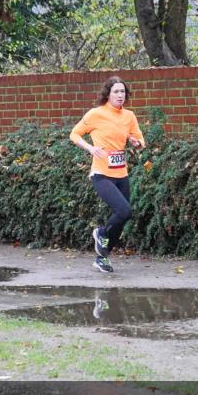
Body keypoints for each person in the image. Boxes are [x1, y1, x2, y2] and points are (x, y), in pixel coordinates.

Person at [70, 76, 145, 273]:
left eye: (123, 92)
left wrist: (136, 143)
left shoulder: (129, 116)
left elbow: (139, 140)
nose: (120, 96)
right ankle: (101, 232)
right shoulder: (96, 114)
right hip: (101, 174)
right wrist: (91, 149)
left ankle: (102, 258)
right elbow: (74, 134)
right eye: (116, 92)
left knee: (121, 219)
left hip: (121, 174)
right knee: (124, 210)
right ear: (108, 94)